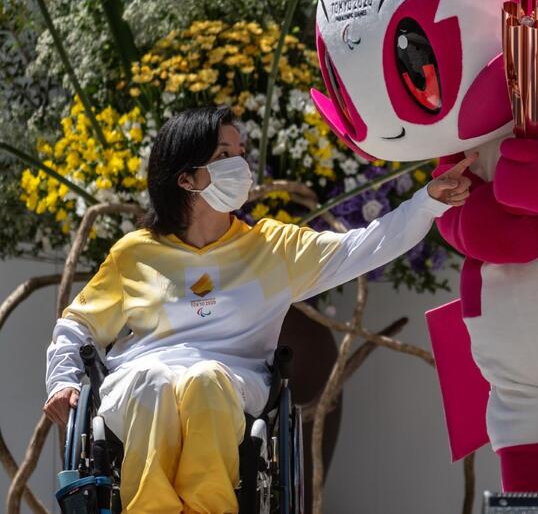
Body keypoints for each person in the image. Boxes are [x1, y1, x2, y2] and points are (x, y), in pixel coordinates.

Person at [43, 106, 472, 513]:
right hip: (140, 382)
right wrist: (62, 381)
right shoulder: (134, 253)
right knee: (153, 379)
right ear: (186, 178)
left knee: (205, 379)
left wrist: (428, 201)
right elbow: (79, 323)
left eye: (241, 152)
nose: (241, 165)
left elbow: (364, 246)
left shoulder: (272, 248)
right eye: (224, 155)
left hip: (231, 381)